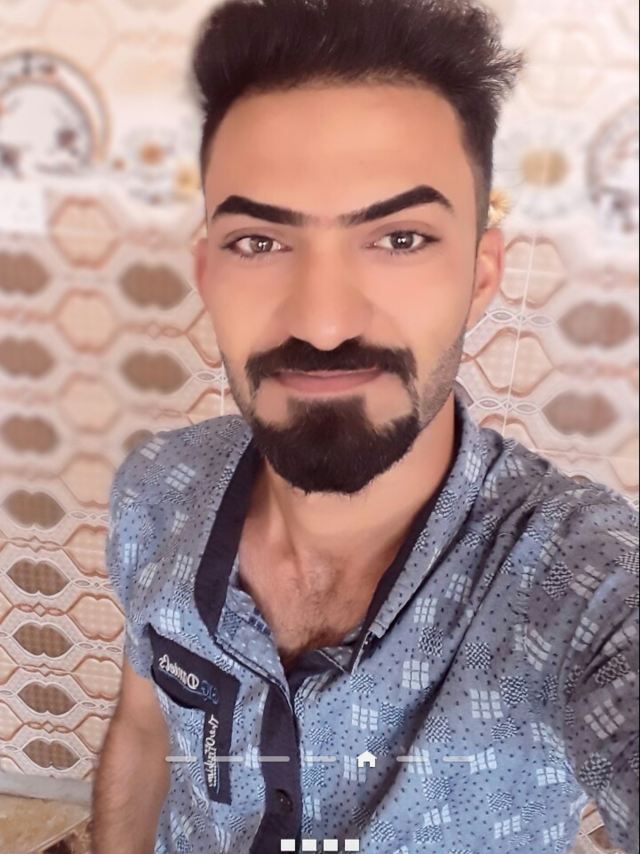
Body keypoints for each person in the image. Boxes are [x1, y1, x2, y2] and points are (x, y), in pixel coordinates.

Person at [91, 1, 640, 853]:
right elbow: (143, 728)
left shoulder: (581, 585)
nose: (321, 324)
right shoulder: (155, 491)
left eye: (401, 238)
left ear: (481, 275)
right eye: (259, 242)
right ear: (206, 272)